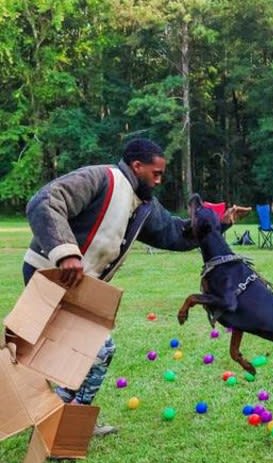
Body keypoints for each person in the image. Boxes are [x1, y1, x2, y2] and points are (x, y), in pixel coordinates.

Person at [22, 138, 250, 436]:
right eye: (155, 173)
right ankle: (65, 423)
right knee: (99, 349)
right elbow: (45, 201)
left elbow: (174, 233)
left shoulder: (143, 205)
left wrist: (220, 222)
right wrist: (65, 252)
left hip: (80, 286)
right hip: (50, 275)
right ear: (136, 166)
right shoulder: (99, 178)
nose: (159, 180)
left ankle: (59, 414)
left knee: (88, 353)